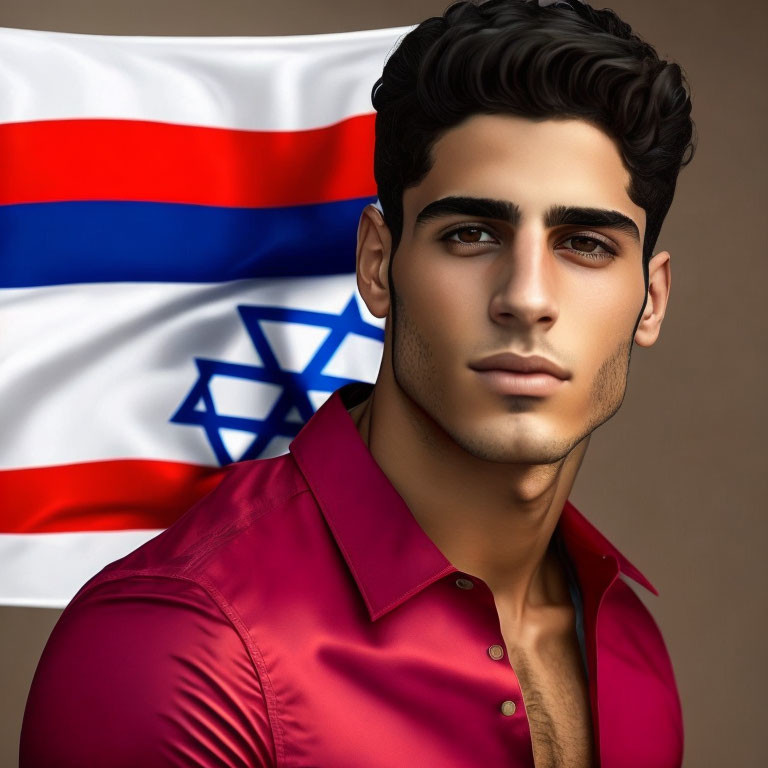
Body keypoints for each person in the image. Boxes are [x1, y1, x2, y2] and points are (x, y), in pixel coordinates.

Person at [20, 1, 695, 766]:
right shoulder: (179, 648)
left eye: (585, 244)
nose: (527, 297)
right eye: (470, 234)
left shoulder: (629, 640)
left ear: (652, 299)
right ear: (378, 263)